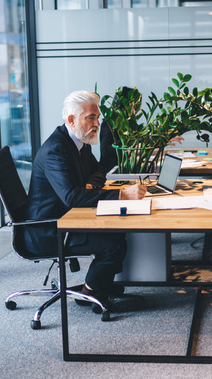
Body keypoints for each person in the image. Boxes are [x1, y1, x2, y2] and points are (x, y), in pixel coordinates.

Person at [27, 90, 146, 312]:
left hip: (67, 217)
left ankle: (102, 284)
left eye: (97, 117)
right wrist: (122, 195)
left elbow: (99, 171)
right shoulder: (57, 150)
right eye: (90, 117)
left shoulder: (80, 141)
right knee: (112, 245)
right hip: (49, 229)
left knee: (118, 231)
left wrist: (89, 187)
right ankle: (89, 294)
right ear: (72, 120)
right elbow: (72, 196)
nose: (97, 123)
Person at [100, 86, 183, 174]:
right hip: (111, 173)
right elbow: (106, 152)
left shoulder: (130, 123)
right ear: (124, 104)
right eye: (136, 105)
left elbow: (141, 144)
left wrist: (162, 139)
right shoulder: (108, 123)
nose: (139, 109)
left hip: (128, 172)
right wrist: (131, 148)